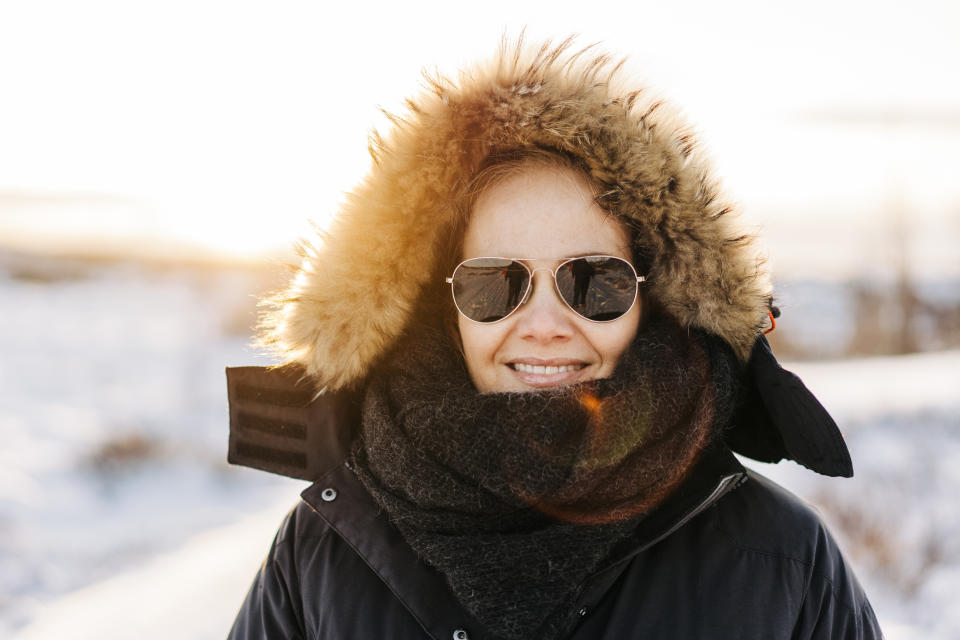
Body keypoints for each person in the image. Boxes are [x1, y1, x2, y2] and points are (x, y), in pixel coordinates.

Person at [225, 37, 882, 639]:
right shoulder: (320, 555)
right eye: (494, 284)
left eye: (594, 282)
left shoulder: (779, 559)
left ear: (654, 299)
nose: (543, 325)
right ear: (440, 307)